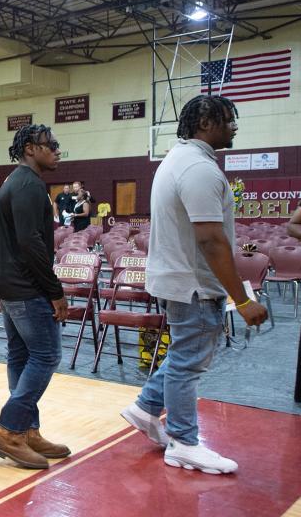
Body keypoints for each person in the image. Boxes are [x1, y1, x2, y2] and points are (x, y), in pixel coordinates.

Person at [120, 95, 267, 475]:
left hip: (178, 278)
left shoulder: (178, 159)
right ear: (205, 122)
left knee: (184, 353)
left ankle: (146, 406)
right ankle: (184, 442)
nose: (234, 126)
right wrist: (242, 299)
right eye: (228, 119)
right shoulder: (199, 169)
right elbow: (211, 240)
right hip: (194, 284)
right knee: (189, 364)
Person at [0, 123, 69, 470]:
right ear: (31, 149)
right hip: (24, 286)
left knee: (20, 356)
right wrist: (55, 291)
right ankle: (9, 431)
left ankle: (28, 432)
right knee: (47, 355)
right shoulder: (29, 185)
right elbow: (30, 243)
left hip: (7, 283)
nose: (57, 150)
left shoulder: (16, 182)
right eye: (51, 145)